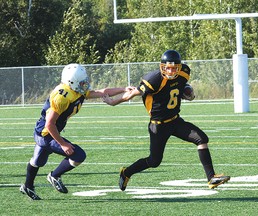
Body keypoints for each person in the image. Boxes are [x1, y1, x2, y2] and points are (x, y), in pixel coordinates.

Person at [102, 50, 230, 191]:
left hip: (175, 121)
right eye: (167, 67)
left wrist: (188, 94)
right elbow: (132, 93)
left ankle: (211, 178)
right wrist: (113, 102)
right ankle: (126, 172)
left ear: (179, 67)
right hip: (158, 126)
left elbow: (178, 89)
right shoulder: (154, 79)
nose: (170, 71)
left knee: (201, 138)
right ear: (162, 66)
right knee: (154, 161)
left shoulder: (184, 72)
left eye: (174, 68)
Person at [20, 63, 133, 200]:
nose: (85, 83)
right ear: (71, 82)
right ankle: (54, 175)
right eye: (82, 81)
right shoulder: (62, 96)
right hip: (45, 134)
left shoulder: (76, 90)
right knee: (78, 155)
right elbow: (50, 124)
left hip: (48, 131)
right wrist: (62, 144)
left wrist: (123, 89)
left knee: (38, 161)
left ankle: (27, 186)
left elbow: (102, 92)